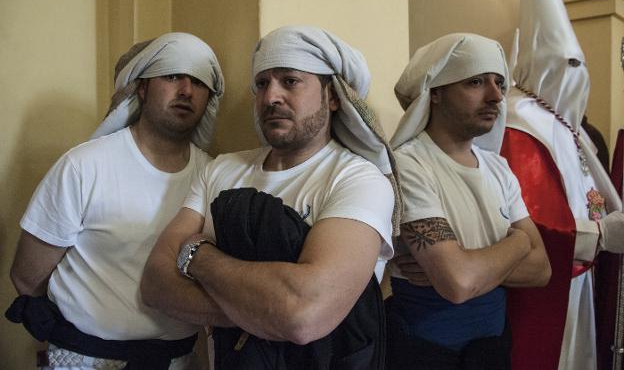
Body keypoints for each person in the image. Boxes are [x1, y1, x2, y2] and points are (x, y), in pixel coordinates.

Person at [141, 25, 398, 368]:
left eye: (290, 81)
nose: (270, 96)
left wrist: (197, 255)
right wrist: (264, 310)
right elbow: (156, 284)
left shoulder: (357, 179)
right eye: (262, 83)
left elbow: (303, 315)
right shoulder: (222, 170)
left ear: (332, 96)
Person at [6, 32, 225, 370]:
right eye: (172, 76)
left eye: (198, 82)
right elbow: (27, 276)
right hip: (82, 359)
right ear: (141, 88)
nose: (185, 90)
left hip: (176, 362)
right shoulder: (84, 166)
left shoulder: (213, 176)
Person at [386, 33, 551, 369]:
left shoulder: (498, 167)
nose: (495, 96)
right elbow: (459, 284)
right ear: (436, 94)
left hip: (492, 348)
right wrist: (520, 241)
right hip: (424, 352)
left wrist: (465, 267)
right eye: (476, 82)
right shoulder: (408, 164)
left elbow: (542, 270)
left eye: (498, 83)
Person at [501, 0, 624, 369]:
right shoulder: (521, 120)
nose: (579, 74)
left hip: (577, 280)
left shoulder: (560, 121)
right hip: (548, 288)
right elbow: (527, 222)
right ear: (540, 63)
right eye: (568, 64)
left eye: (580, 63)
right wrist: (600, 236)